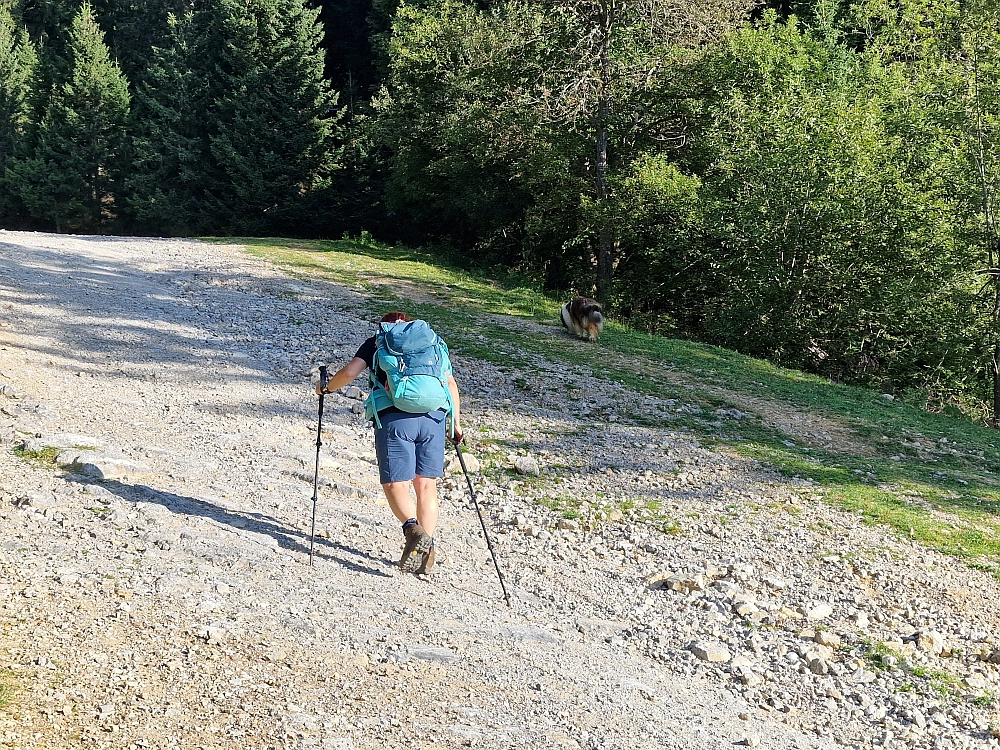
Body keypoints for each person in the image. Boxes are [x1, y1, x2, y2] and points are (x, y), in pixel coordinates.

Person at [316, 312, 462, 574]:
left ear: (383, 325)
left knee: (395, 482)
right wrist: (456, 424)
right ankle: (426, 552)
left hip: (395, 416)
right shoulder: (433, 342)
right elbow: (450, 383)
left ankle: (413, 530)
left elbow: (350, 372)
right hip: (434, 417)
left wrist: (327, 388)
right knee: (426, 485)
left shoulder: (378, 341)